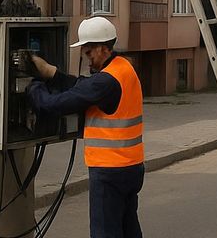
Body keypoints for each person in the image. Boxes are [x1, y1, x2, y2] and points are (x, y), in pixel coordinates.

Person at [27, 16, 144, 238]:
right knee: (129, 230)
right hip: (132, 166)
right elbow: (83, 86)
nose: (86, 58)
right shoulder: (123, 67)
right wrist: (52, 73)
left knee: (104, 233)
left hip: (109, 170)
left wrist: (34, 88)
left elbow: (57, 105)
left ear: (102, 49)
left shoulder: (105, 81)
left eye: (89, 52)